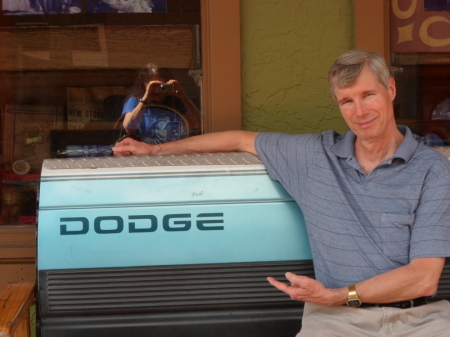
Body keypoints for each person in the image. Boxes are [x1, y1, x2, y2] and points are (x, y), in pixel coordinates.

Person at [112, 49, 450, 336]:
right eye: (347, 101)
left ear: (390, 89)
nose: (359, 112)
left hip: (420, 320)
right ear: (337, 103)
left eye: (368, 95)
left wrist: (336, 295)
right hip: (339, 324)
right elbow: (239, 139)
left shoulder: (431, 169)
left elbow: (423, 278)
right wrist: (156, 151)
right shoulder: (315, 156)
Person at [120, 63, 201, 144]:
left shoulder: (175, 101)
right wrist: (145, 99)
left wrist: (182, 96)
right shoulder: (136, 101)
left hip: (174, 149)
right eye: (154, 85)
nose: (158, 90)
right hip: (146, 151)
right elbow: (129, 128)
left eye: (162, 86)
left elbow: (197, 124)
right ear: (144, 84)